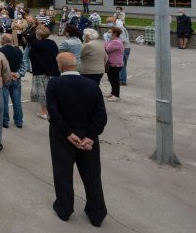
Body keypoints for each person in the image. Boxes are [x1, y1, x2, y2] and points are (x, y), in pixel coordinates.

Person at [46, 52, 108, 227]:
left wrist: (67, 133)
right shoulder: (92, 85)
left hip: (62, 136)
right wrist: (90, 135)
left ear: (60, 66)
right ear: (76, 65)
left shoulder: (54, 83)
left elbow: (54, 112)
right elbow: (101, 115)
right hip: (88, 136)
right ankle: (97, 213)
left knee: (63, 173)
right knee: (92, 175)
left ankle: (64, 208)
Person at [29, 25, 60, 120]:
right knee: (51, 91)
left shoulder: (36, 44)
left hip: (40, 71)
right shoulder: (52, 43)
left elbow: (31, 55)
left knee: (42, 92)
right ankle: (51, 110)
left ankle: (43, 111)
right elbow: (57, 55)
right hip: (53, 70)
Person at [0, 34, 24, 129]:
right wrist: (18, 74)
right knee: (17, 101)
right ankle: (19, 121)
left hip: (4, 79)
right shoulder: (19, 51)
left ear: (3, 40)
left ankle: (5, 121)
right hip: (16, 78)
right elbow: (24, 65)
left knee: (4, 101)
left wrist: (8, 74)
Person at [104, 27, 125, 101]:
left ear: (115, 33)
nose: (107, 33)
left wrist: (105, 41)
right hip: (111, 63)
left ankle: (116, 95)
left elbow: (106, 49)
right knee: (111, 79)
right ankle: (113, 92)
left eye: (109, 32)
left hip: (115, 64)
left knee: (114, 80)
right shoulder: (112, 40)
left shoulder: (116, 42)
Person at [115, 19, 131, 86]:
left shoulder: (120, 29)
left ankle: (122, 80)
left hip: (124, 49)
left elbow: (123, 40)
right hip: (126, 48)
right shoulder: (123, 28)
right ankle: (121, 79)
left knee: (122, 65)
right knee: (122, 65)